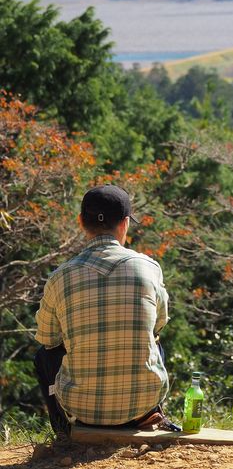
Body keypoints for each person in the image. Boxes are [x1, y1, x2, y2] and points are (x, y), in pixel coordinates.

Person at [34, 184, 176, 435]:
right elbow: (159, 324)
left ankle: (63, 429)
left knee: (43, 355)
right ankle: (150, 414)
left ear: (81, 222)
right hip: (141, 405)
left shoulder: (60, 276)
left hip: (82, 409)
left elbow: (47, 339)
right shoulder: (149, 268)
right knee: (155, 340)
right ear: (125, 223)